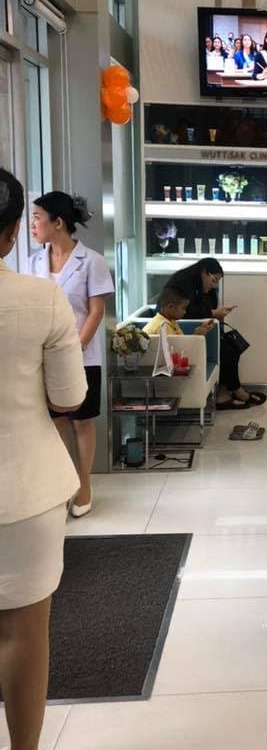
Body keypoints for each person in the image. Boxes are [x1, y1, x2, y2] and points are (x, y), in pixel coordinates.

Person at [0, 169, 87, 750]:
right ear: (9, 233)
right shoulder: (39, 299)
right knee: (23, 628)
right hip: (22, 486)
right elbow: (69, 397)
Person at [28, 192, 115, 518]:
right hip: (44, 356)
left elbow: (95, 311)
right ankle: (65, 485)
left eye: (37, 217)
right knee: (56, 422)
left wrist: (74, 347)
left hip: (82, 355)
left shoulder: (91, 261)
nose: (32, 224)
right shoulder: (33, 262)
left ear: (58, 223)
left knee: (81, 421)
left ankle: (85, 485)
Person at [166, 258, 266, 410]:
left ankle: (227, 391)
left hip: (203, 331)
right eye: (213, 280)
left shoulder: (200, 286)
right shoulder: (183, 284)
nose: (214, 285)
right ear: (204, 272)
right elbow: (186, 313)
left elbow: (206, 309)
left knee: (233, 347)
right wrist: (213, 313)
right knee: (227, 352)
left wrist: (215, 313)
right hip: (186, 332)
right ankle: (232, 392)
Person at [144, 284, 215, 337]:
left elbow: (181, 342)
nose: (185, 312)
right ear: (170, 307)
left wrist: (197, 332)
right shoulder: (163, 326)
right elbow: (176, 350)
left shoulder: (171, 321)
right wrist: (197, 336)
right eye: (183, 308)